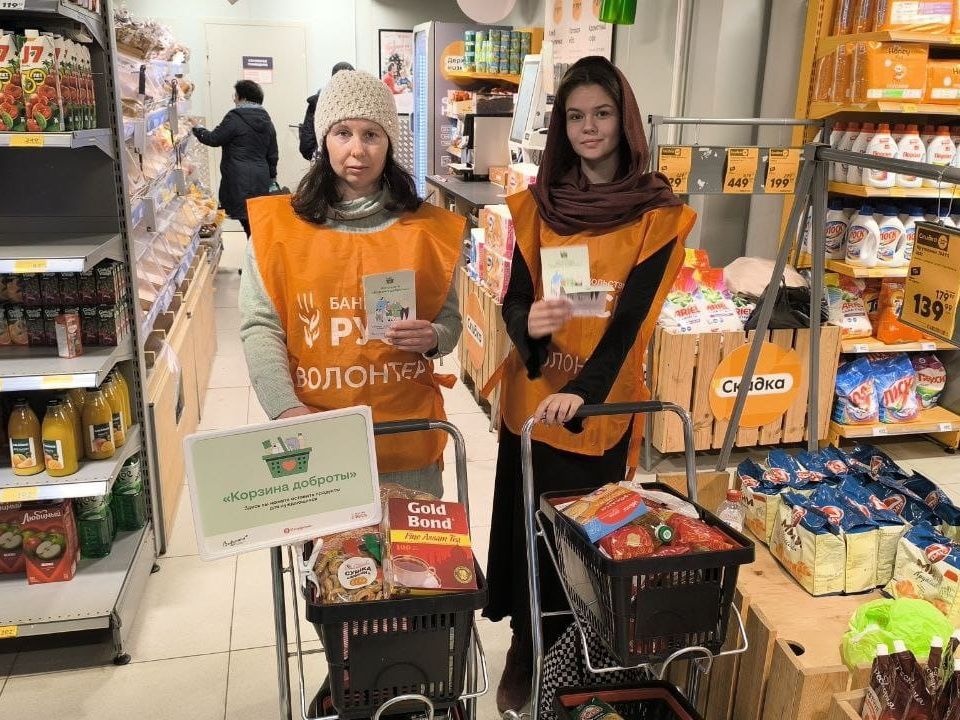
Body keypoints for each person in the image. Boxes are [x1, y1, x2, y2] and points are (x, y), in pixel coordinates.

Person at [482, 56, 697, 712]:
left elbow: (632, 321)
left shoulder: (657, 217)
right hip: (532, 404)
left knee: (581, 543)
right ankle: (526, 645)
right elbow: (516, 300)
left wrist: (588, 392)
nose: (589, 128)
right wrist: (529, 326)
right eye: (575, 117)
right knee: (528, 537)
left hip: (598, 410)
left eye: (602, 113)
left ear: (624, 120)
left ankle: (574, 657)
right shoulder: (539, 207)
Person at [239, 70, 463, 497]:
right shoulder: (278, 231)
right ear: (324, 139)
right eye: (343, 133)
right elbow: (260, 325)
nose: (357, 150)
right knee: (330, 543)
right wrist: (285, 409)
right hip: (318, 435)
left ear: (389, 143)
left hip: (407, 441)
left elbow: (449, 322)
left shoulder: (427, 231)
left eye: (371, 135)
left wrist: (434, 336)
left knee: (408, 540)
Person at [193, 80, 278, 238]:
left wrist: (197, 129)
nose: (234, 99)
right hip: (261, 178)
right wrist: (272, 178)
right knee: (254, 222)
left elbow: (214, 139)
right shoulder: (267, 121)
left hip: (238, 179)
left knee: (249, 224)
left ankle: (256, 253)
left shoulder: (235, 118)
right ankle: (257, 252)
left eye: (236, 95)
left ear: (243, 97)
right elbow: (272, 154)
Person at [300, 61, 354, 161]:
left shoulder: (317, 102)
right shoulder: (359, 103)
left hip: (323, 161)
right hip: (335, 161)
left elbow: (306, 146)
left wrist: (318, 155)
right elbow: (307, 146)